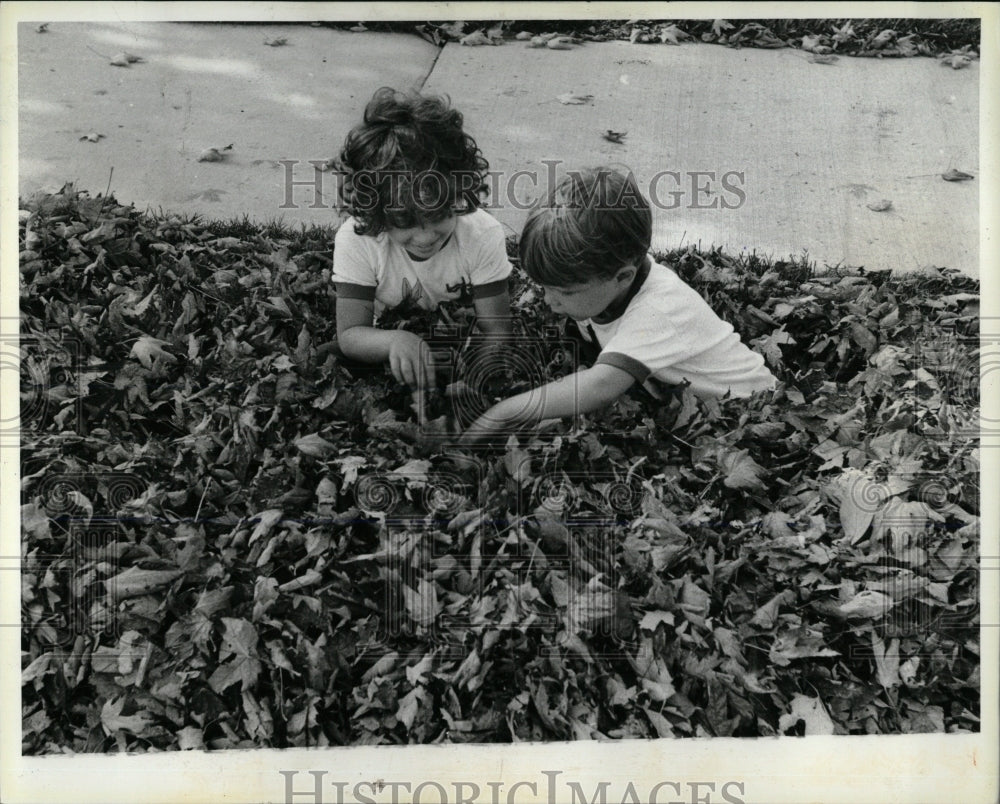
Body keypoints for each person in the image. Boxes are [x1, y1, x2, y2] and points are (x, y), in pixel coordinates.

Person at [459, 167, 776, 445]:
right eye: (545, 287)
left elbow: (600, 385)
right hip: (684, 409)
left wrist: (503, 412)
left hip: (748, 414)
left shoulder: (658, 310)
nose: (548, 300)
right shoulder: (604, 286)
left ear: (623, 276)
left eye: (563, 292)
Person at [332, 87, 513, 390]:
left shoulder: (482, 234)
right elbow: (350, 334)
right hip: (390, 350)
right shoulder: (357, 240)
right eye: (405, 221)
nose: (426, 236)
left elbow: (496, 329)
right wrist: (395, 341)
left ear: (459, 192)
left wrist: (472, 379)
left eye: (440, 214)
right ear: (376, 211)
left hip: (459, 348)